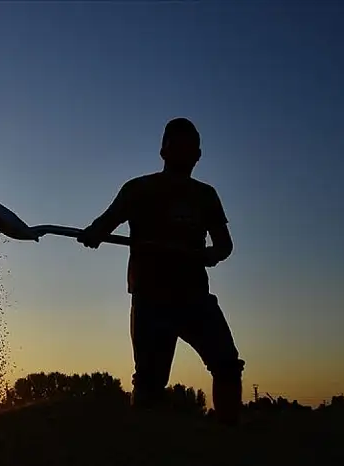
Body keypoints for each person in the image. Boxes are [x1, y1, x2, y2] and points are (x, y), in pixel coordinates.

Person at [76, 117, 245, 426]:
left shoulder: (205, 195)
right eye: (176, 145)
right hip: (150, 297)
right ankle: (145, 447)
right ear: (163, 151)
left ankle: (228, 436)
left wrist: (211, 255)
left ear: (198, 155)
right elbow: (105, 223)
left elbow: (224, 245)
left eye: (190, 147)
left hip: (194, 295)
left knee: (227, 365)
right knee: (150, 384)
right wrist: (93, 233)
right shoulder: (138, 189)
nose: (184, 152)